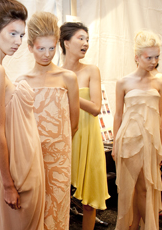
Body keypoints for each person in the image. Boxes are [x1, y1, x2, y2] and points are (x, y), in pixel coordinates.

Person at [0, 0, 45, 230]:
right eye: (12, 33)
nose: (18, 41)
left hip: (22, 159)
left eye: (21, 34)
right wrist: (8, 184)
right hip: (18, 166)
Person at [17, 11, 80, 230]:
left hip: (59, 158)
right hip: (31, 157)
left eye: (51, 48)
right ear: (30, 47)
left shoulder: (67, 78)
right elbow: (19, 126)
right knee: (32, 210)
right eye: (40, 48)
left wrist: (58, 149)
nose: (46, 54)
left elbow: (74, 123)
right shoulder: (21, 82)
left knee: (58, 209)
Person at [112, 31, 162, 230]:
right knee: (129, 189)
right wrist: (116, 144)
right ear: (136, 57)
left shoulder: (159, 82)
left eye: (157, 56)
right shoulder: (123, 82)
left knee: (144, 188)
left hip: (150, 142)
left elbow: (159, 116)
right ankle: (133, 225)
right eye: (148, 57)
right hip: (128, 139)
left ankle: (138, 226)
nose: (153, 61)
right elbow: (118, 115)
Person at [60, 22, 110, 230]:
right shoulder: (55, 73)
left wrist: (71, 93)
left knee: (89, 201)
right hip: (64, 138)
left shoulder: (91, 70)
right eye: (81, 38)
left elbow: (96, 107)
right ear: (66, 42)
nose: (86, 43)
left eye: (87, 39)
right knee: (60, 197)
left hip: (88, 138)